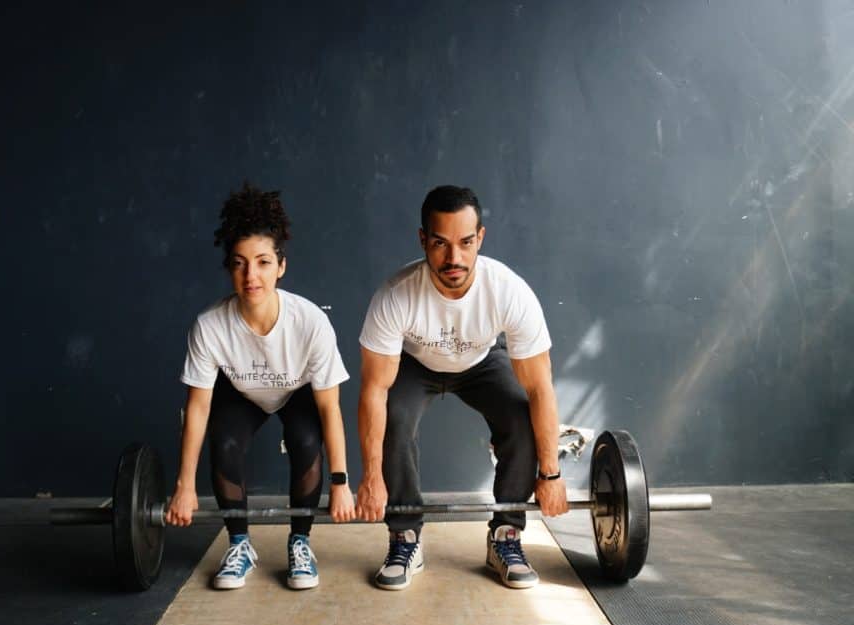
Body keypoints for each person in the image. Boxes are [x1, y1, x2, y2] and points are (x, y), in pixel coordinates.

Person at [354, 185, 569, 590]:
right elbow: (374, 392)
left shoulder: (508, 290)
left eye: (465, 242)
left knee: (521, 416)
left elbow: (540, 387)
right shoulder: (396, 295)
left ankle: (506, 536)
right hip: (415, 364)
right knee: (395, 420)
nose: (454, 258)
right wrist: (370, 477)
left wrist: (552, 474)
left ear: (480, 239)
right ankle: (405, 537)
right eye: (440, 243)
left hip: (483, 361)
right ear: (423, 241)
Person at [166, 182, 355, 590]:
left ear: (281, 266)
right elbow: (197, 408)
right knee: (225, 442)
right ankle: (239, 544)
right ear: (229, 268)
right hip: (242, 392)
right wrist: (184, 487)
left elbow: (329, 409)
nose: (251, 275)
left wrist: (341, 483)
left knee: (307, 438)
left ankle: (300, 542)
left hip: (297, 390)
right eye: (239, 263)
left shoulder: (310, 323)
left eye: (263, 262)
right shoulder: (210, 325)